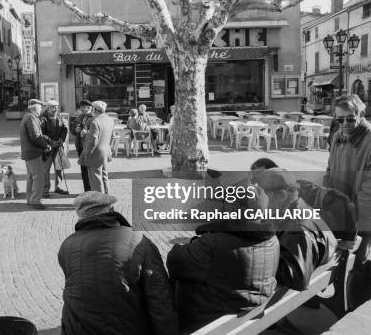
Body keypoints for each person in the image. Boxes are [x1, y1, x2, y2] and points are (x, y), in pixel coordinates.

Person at [58, 191, 178, 335]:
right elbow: (159, 297)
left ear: (80, 216)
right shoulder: (137, 240)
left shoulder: (67, 245)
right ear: (112, 211)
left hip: (76, 328)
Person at [166, 186, 279, 329]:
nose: (223, 208)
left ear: (234, 209)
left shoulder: (214, 244)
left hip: (207, 322)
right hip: (249, 316)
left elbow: (174, 262)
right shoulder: (273, 240)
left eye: (226, 204)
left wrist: (198, 241)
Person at [324, 94, 371, 265]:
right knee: (335, 265)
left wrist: (355, 224)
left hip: (360, 220)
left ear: (361, 115)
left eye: (350, 119)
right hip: (337, 213)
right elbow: (329, 170)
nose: (344, 125)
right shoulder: (337, 136)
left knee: (357, 265)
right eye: (339, 120)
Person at [256, 168, 337, 291]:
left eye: (263, 194)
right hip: (318, 260)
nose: (260, 200)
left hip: (303, 274)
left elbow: (298, 279)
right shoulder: (298, 206)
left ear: (282, 195)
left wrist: (259, 259)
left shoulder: (296, 228)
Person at [19, 99, 52, 209]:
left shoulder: (28, 116)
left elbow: (36, 134)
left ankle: (30, 199)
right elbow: (35, 137)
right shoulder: (31, 118)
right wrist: (46, 146)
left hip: (29, 152)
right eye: (40, 107)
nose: (41, 110)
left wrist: (44, 138)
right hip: (33, 152)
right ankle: (35, 201)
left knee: (31, 177)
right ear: (34, 108)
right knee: (39, 177)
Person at [78, 100, 114, 194]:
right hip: (105, 153)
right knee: (104, 177)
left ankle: (100, 204)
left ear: (95, 109)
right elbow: (112, 137)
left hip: (95, 154)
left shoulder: (95, 122)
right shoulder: (109, 120)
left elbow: (92, 141)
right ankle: (107, 200)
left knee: (96, 180)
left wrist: (86, 154)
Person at [40, 100, 69, 197]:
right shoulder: (42, 119)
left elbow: (65, 129)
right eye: (53, 107)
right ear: (47, 108)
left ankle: (58, 188)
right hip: (47, 149)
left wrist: (61, 139)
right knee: (45, 170)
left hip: (58, 148)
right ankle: (45, 191)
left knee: (59, 169)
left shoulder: (59, 117)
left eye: (56, 106)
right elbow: (40, 134)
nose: (55, 109)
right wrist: (50, 141)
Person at [72, 100, 94, 191]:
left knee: (90, 170)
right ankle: (86, 190)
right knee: (83, 170)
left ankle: (92, 190)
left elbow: (95, 133)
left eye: (83, 108)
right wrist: (75, 130)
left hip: (88, 147)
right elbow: (73, 130)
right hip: (80, 146)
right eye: (81, 107)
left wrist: (86, 133)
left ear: (89, 108)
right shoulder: (79, 117)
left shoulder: (94, 118)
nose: (81, 109)